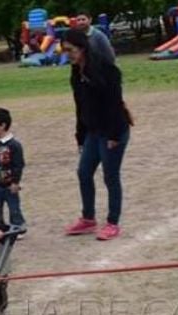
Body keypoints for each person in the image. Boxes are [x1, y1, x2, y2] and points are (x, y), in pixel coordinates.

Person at [62, 29, 132, 241]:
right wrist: (80, 135)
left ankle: (112, 222)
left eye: (71, 50)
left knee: (110, 176)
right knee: (84, 172)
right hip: (93, 131)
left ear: (82, 48)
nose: (68, 55)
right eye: (65, 51)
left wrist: (114, 136)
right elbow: (80, 106)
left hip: (113, 130)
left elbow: (115, 104)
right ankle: (88, 219)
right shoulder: (76, 73)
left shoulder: (106, 70)